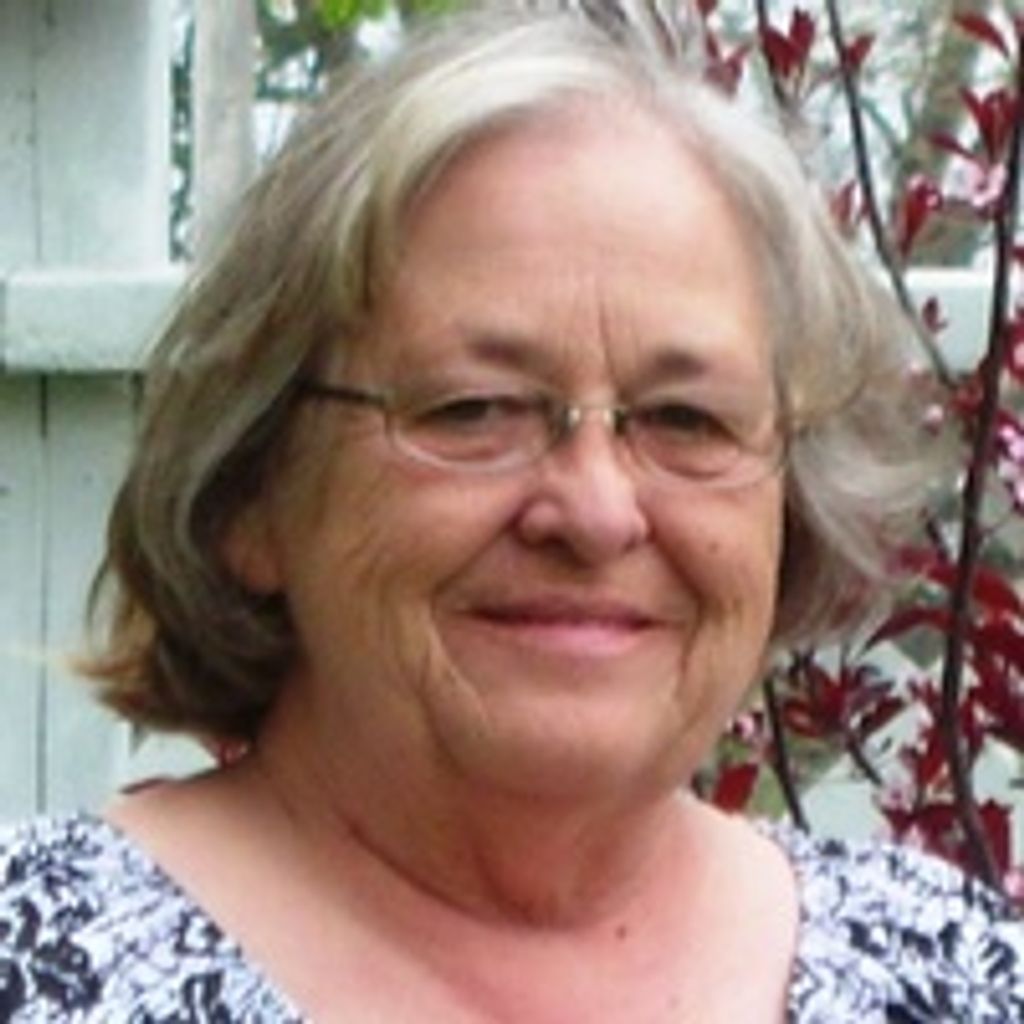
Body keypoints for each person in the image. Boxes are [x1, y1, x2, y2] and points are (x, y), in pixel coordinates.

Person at [1, 3, 1021, 1021]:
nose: (595, 512)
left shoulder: (954, 974)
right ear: (253, 490)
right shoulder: (38, 964)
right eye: (474, 409)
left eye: (686, 419)